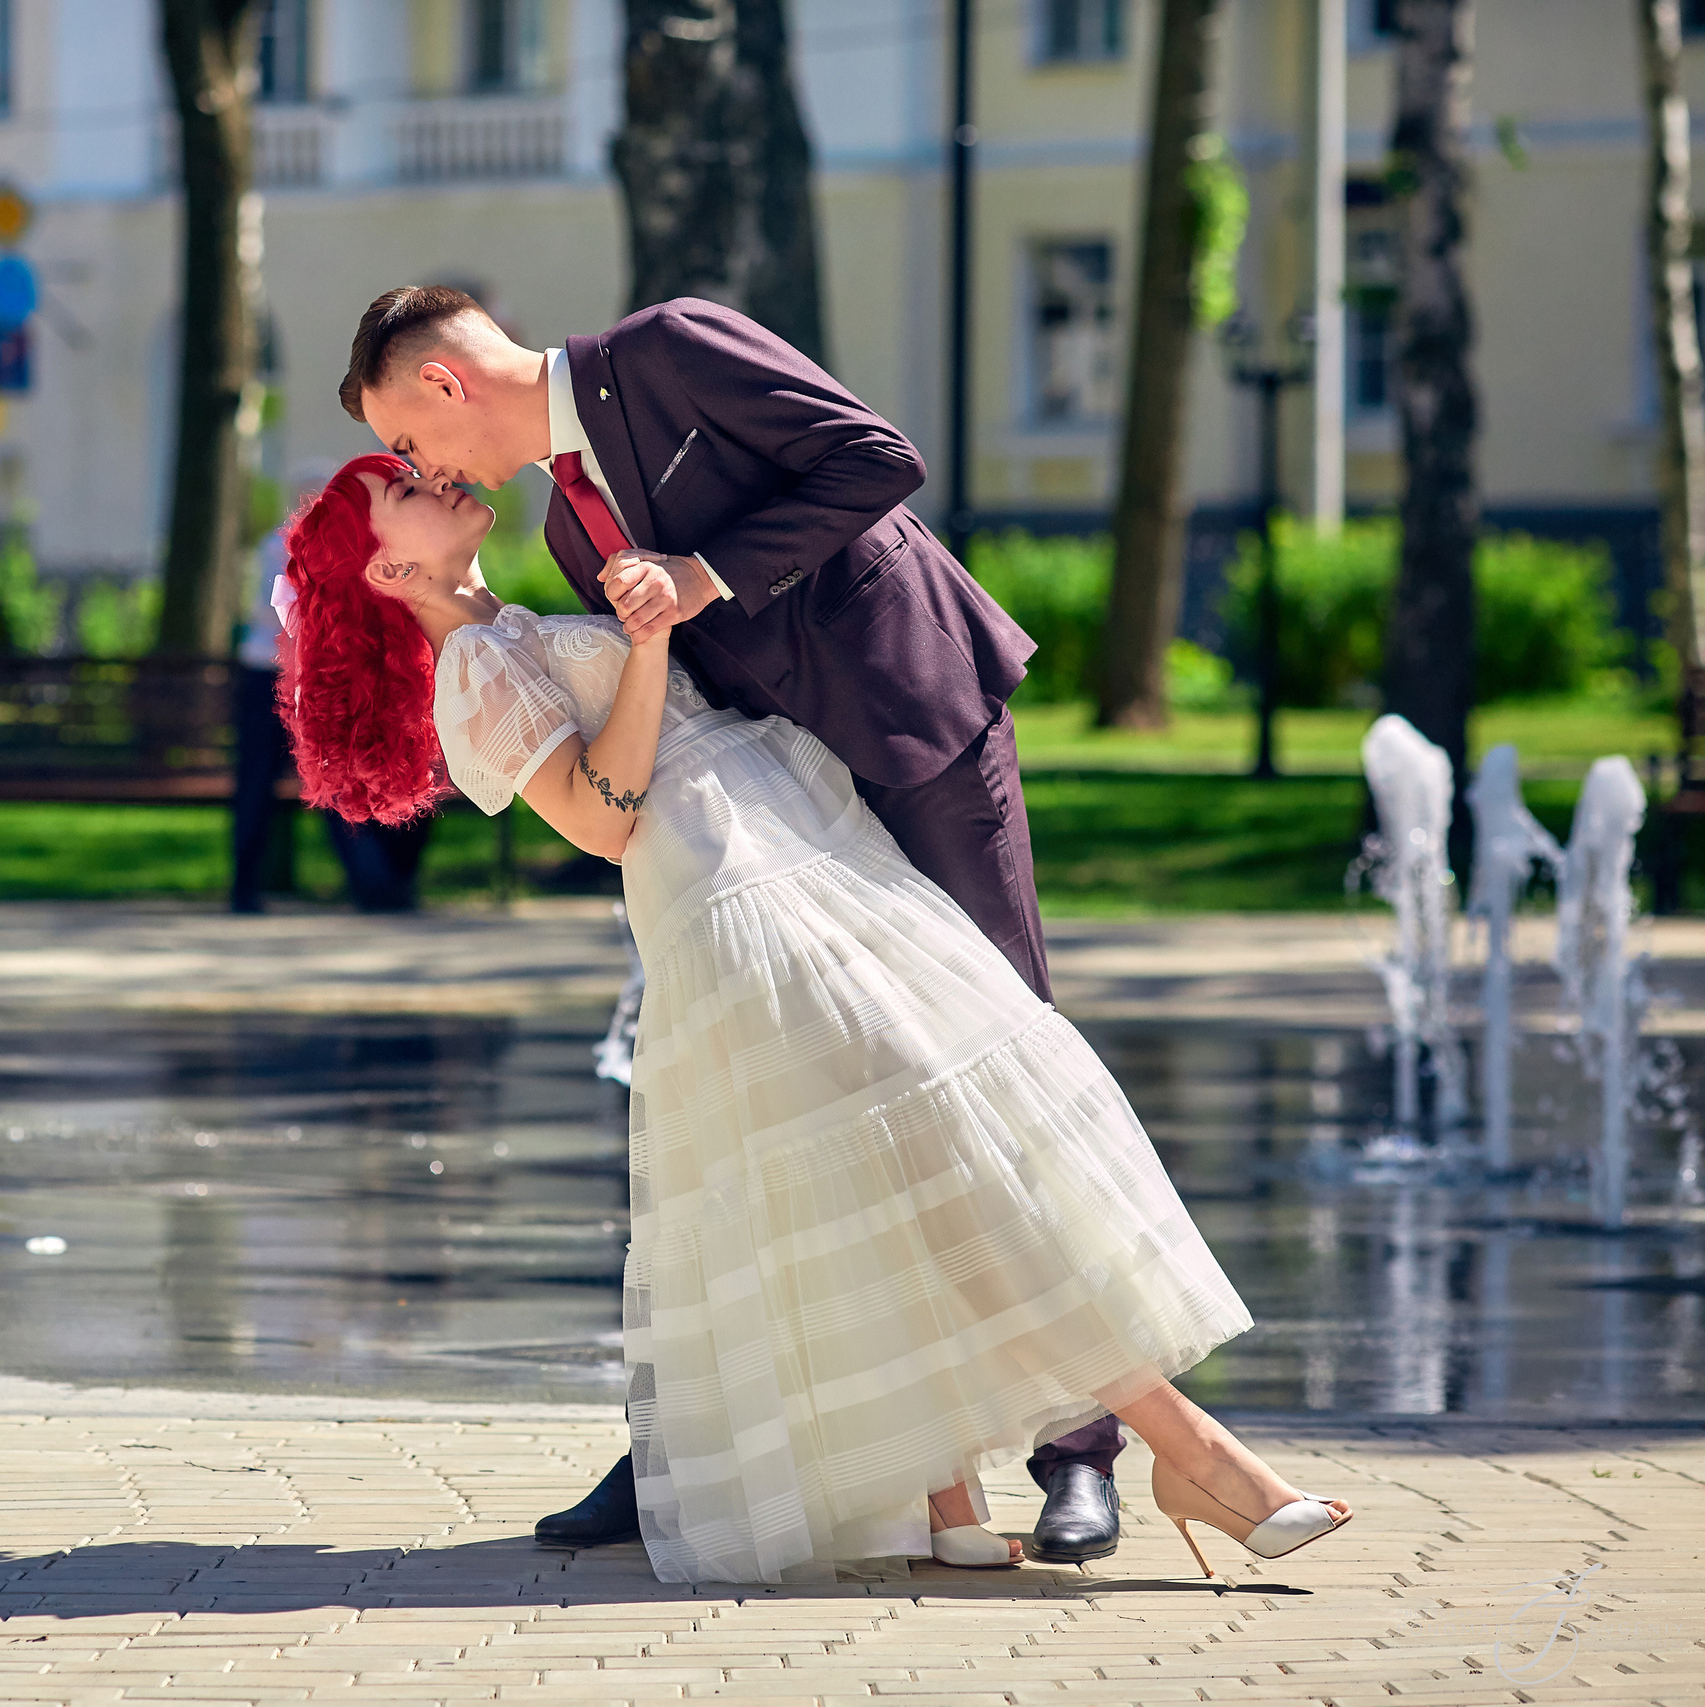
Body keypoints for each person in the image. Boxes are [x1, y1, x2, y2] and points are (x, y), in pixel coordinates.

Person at [273, 451, 1353, 1583]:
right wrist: (646, 643)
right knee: (944, 1153)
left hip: (796, 850)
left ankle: (948, 1498)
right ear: (388, 564)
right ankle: (1198, 1456)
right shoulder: (470, 671)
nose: (434, 477)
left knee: (909, 1168)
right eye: (402, 486)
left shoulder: (506, 623)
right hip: (735, 900)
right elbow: (601, 816)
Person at [340, 284, 1120, 1562]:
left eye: (412, 443)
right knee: (785, 1119)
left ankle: (1076, 1450)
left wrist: (702, 574)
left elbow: (878, 459)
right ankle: (694, 1443)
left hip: (918, 729)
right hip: (796, 810)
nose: (421, 466)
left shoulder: (668, 349)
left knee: (999, 1070)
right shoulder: (558, 531)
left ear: (443, 383)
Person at [234, 507, 432, 914]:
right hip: (273, 675)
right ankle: (250, 887)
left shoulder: (344, 554)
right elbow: (277, 613)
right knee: (292, 782)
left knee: (330, 780)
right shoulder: (285, 549)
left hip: (298, 675)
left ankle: (372, 884)